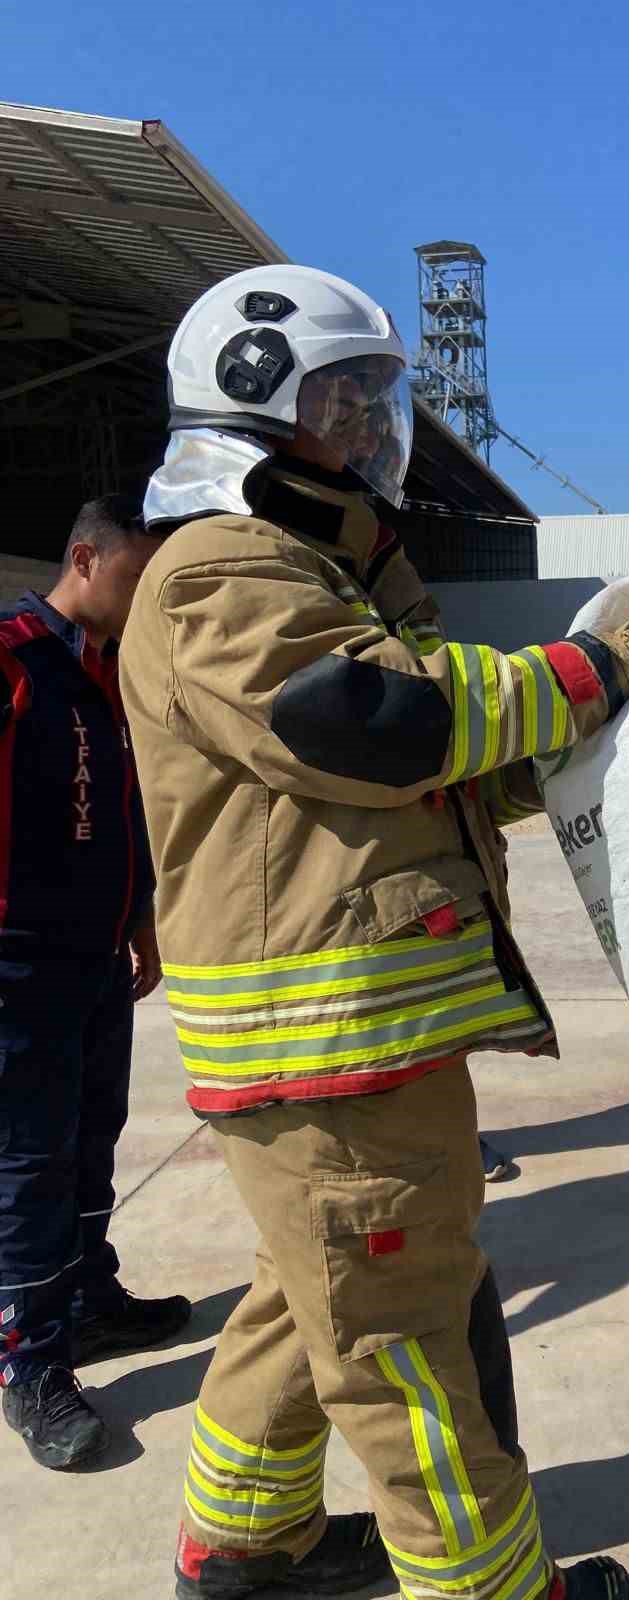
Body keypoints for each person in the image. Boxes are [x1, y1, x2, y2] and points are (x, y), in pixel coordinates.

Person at [119, 264, 629, 1600]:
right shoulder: (221, 570)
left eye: (374, 400)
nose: (369, 430)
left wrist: (567, 743)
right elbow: (377, 723)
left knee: (310, 1296)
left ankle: (241, 1545)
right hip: (327, 1050)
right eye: (343, 399)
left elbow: (424, 771)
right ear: (258, 407)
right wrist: (597, 671)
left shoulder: (316, 567)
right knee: (407, 1350)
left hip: (355, 1055)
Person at [0, 495, 192, 1472]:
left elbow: (125, 814)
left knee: (91, 1137)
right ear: (85, 557)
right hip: (19, 965)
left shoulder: (113, 677)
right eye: (137, 576)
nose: (149, 596)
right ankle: (30, 1363)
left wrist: (142, 919)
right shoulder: (17, 660)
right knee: (30, 1163)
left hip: (99, 955)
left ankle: (87, 1300)